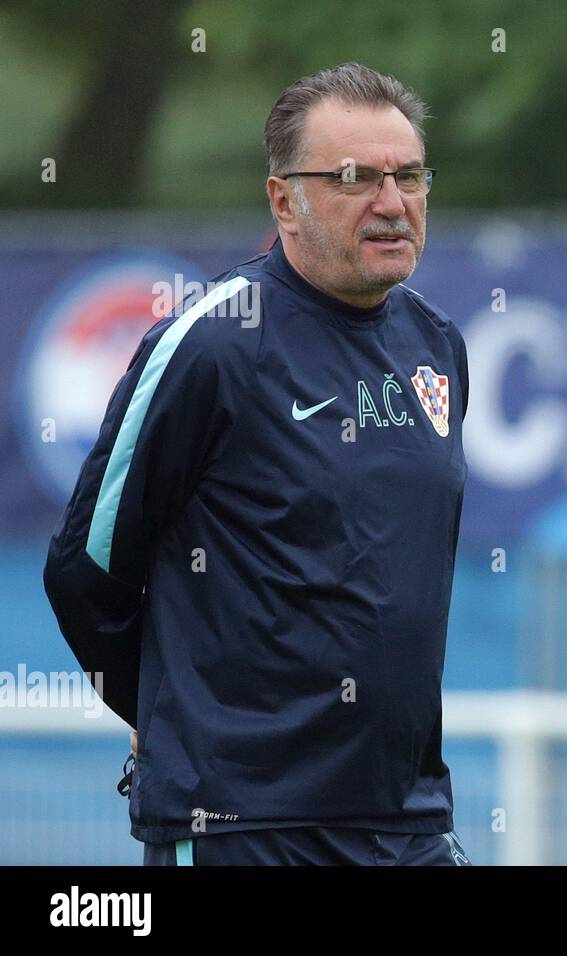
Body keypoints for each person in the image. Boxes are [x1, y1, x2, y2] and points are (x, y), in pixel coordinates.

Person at [43, 62, 472, 866]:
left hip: (406, 822)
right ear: (284, 201)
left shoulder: (437, 347)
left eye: (408, 176)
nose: (391, 203)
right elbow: (85, 575)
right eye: (354, 178)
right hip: (243, 828)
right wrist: (177, 718)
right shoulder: (210, 344)